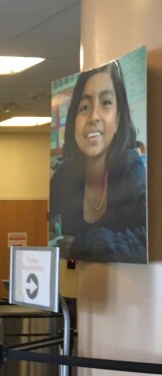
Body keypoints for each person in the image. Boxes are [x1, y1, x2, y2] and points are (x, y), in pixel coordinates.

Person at [49, 60, 146, 263]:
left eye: (106, 103)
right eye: (84, 107)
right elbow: (55, 245)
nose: (93, 116)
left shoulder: (131, 168)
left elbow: (147, 242)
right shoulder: (61, 180)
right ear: (74, 120)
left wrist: (83, 244)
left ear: (118, 118)